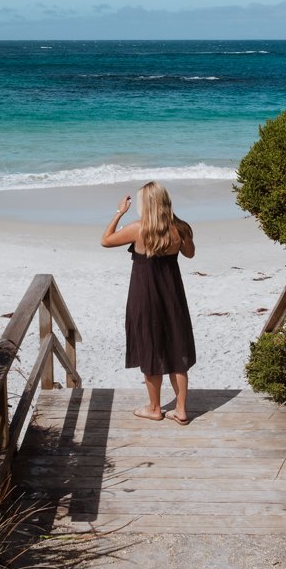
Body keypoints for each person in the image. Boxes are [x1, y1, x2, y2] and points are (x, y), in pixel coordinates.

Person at [101, 181, 196, 425]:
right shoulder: (181, 229)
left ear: (147, 204)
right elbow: (190, 254)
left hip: (144, 296)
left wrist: (119, 212)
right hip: (173, 296)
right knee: (177, 349)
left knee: (150, 346)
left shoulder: (137, 229)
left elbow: (106, 240)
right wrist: (182, 230)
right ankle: (181, 410)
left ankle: (155, 408)